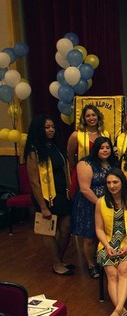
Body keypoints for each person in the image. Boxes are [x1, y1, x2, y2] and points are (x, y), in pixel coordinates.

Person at [25, 115, 73, 276]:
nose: (51, 130)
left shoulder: (55, 146)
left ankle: (59, 259)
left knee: (66, 228)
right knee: (49, 231)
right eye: (47, 127)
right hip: (45, 197)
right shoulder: (33, 151)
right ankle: (57, 263)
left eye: (52, 127)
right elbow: (34, 181)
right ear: (39, 129)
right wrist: (43, 206)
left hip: (62, 195)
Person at [95, 169, 127, 316]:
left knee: (124, 269)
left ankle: (117, 310)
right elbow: (99, 229)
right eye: (108, 183)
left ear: (122, 182)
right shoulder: (101, 202)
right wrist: (107, 246)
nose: (112, 186)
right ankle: (121, 310)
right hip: (107, 243)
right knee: (112, 273)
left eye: (115, 182)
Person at [72, 136, 118, 278]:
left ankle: (104, 261)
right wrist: (100, 204)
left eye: (107, 147)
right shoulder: (85, 163)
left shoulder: (113, 162)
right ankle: (91, 265)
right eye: (101, 148)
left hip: (109, 203)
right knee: (90, 237)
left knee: (106, 235)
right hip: (90, 204)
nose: (105, 150)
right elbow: (85, 189)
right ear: (96, 149)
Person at [67, 104, 110, 170]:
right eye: (88, 116)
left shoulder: (105, 134)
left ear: (98, 116)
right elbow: (70, 157)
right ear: (84, 119)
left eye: (93, 115)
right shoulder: (76, 135)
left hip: (102, 171)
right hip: (83, 171)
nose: (91, 118)